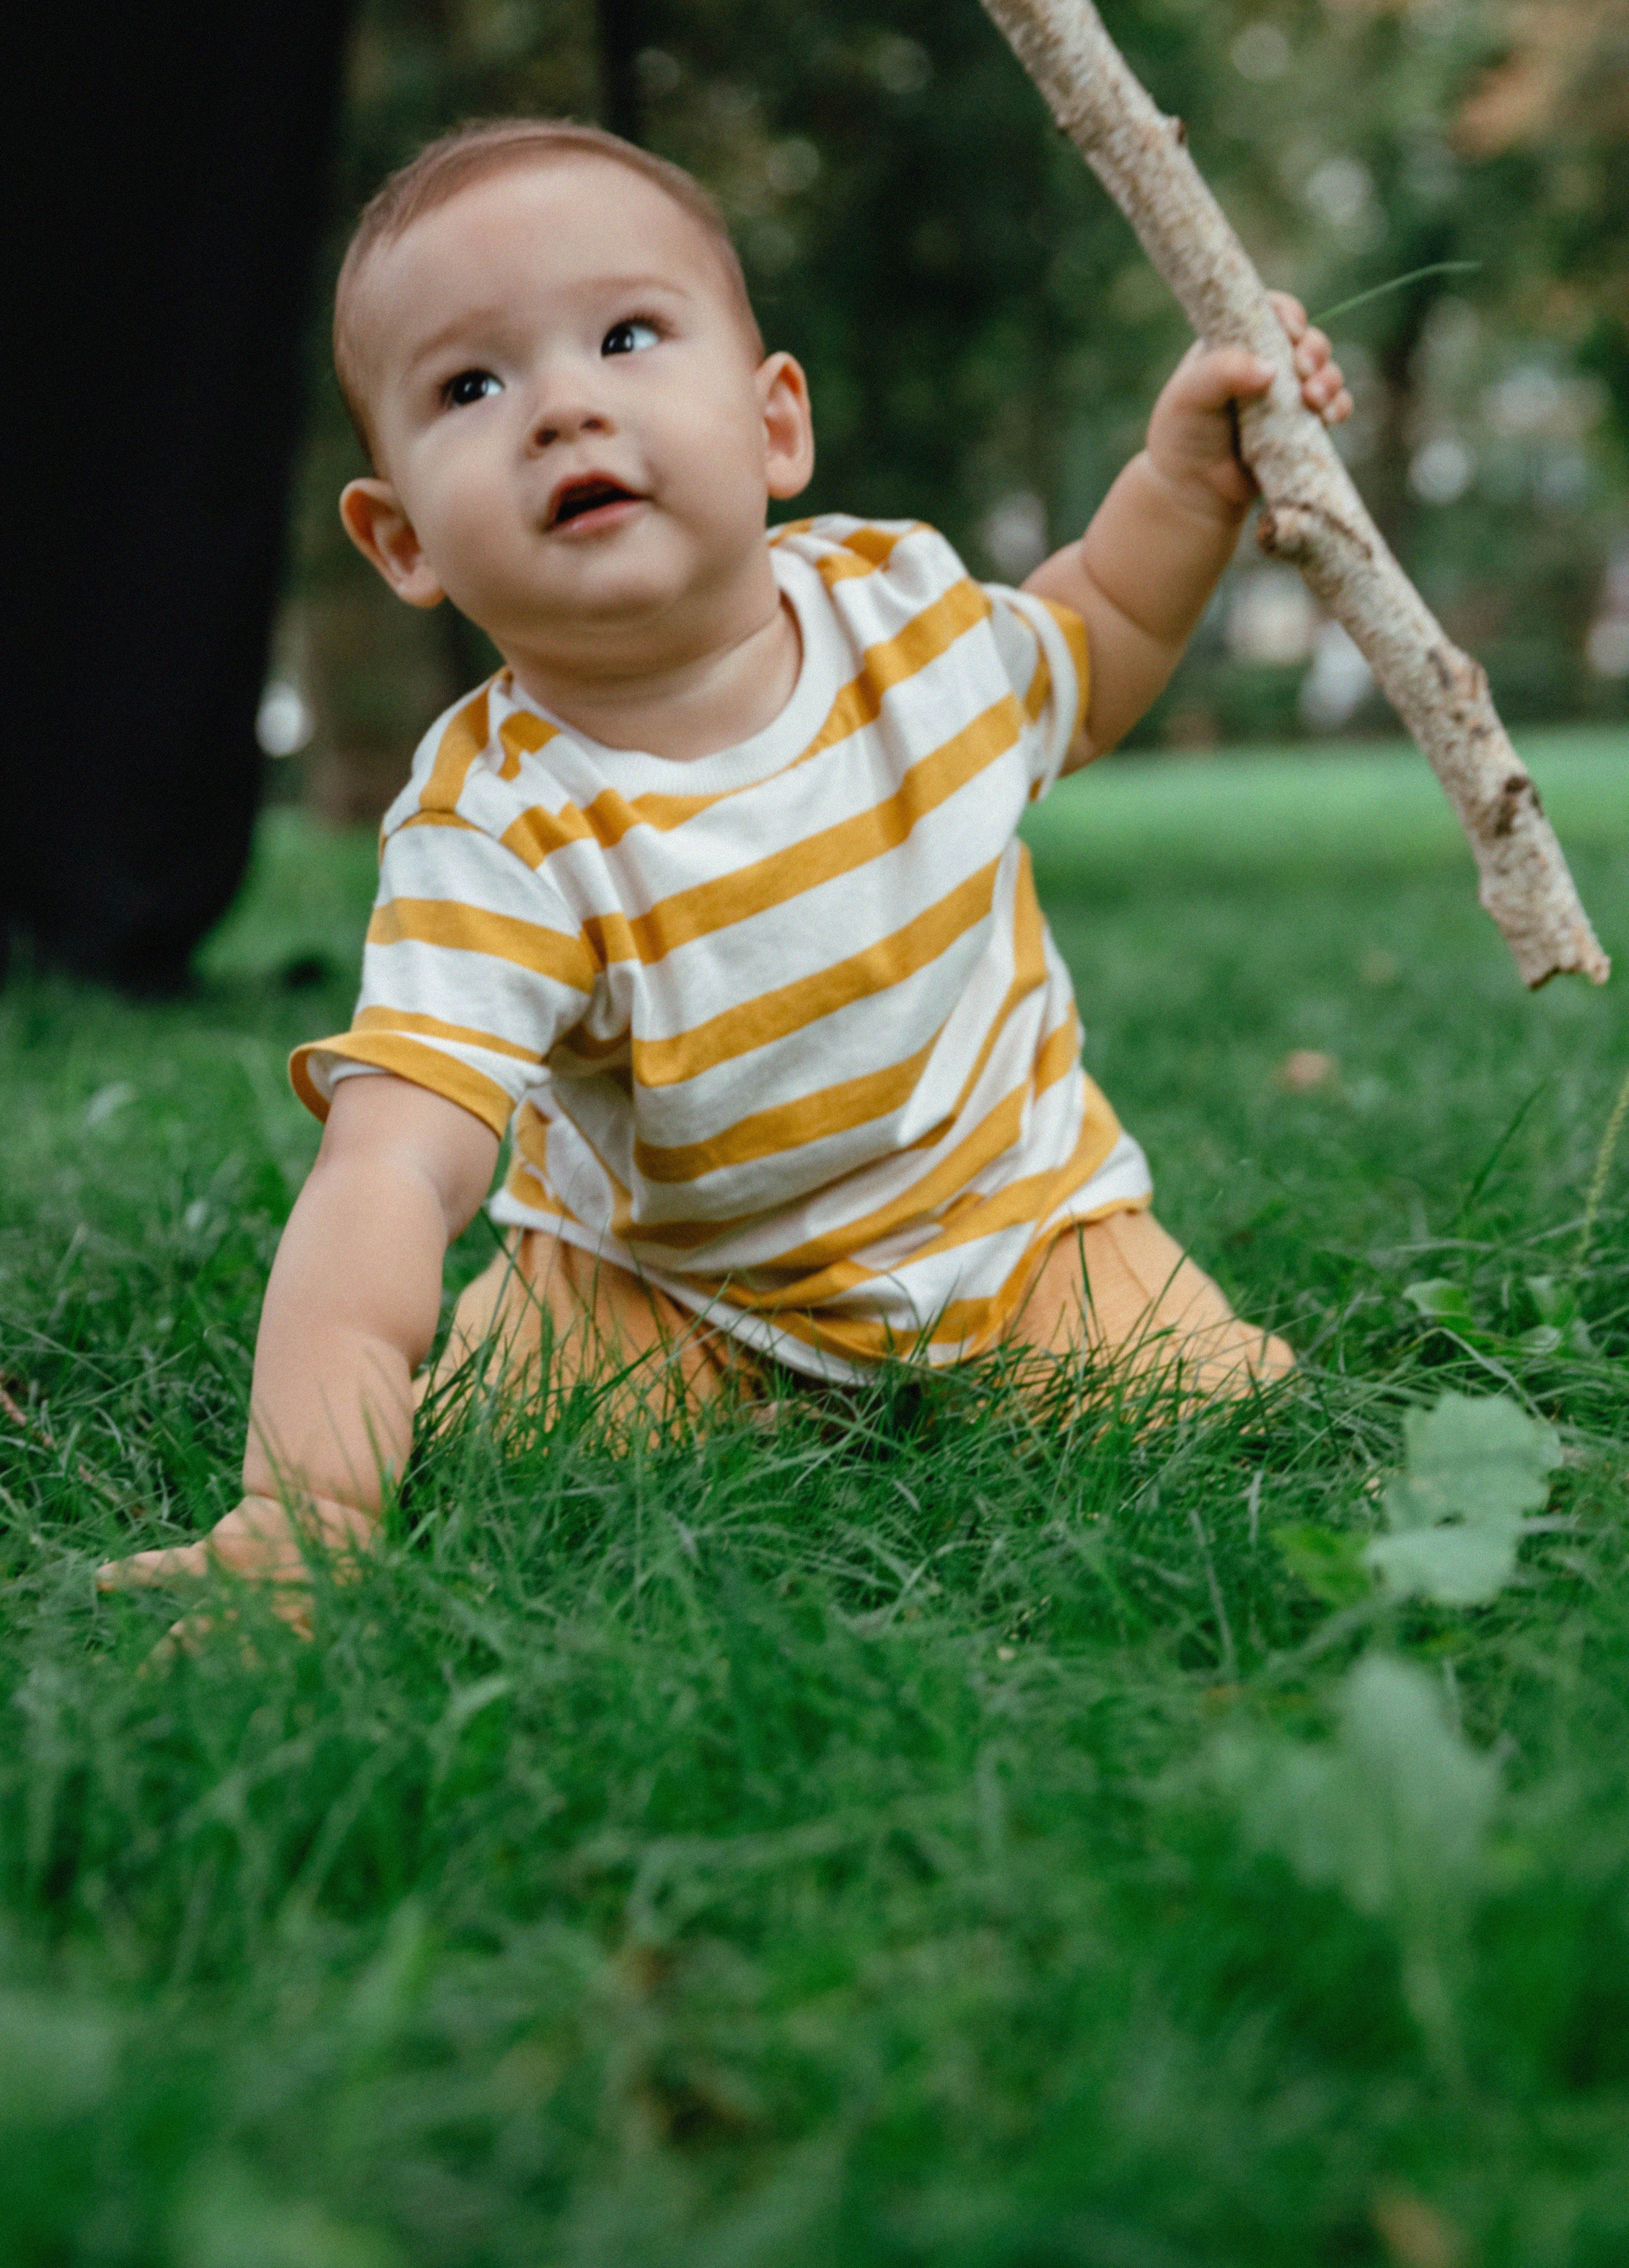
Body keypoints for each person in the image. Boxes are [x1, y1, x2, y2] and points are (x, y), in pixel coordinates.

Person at [99, 118, 1351, 1599]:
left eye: (625, 335)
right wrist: (298, 1511)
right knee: (511, 1454)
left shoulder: (908, 622)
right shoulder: (500, 827)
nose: (561, 407)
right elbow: (391, 1165)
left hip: (1018, 1223)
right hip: (670, 1286)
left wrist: (1188, 483)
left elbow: (1099, 637)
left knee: (1212, 1427)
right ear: (401, 542)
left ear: (773, 428)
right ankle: (518, 1381)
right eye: (470, 384)